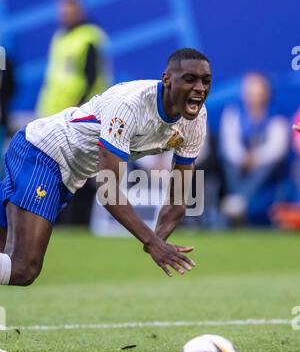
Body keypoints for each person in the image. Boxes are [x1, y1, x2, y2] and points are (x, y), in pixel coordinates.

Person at [0, 48, 212, 286]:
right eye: (190, 79)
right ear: (167, 80)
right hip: (43, 152)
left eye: (206, 81)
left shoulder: (196, 120)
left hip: (67, 176)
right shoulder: (130, 105)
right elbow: (108, 191)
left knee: (7, 260)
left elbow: (178, 199)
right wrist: (152, 242)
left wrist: (158, 239)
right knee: (23, 268)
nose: (200, 89)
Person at [220, 72, 289, 225]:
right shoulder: (234, 111)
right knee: (228, 161)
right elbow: (229, 144)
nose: (254, 97)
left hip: (265, 164)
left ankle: (239, 201)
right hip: (238, 164)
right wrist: (243, 157)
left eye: (258, 93)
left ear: (267, 94)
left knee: (267, 165)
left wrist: (256, 158)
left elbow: (277, 149)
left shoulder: (277, 113)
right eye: (251, 92)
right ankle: (238, 201)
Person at [36, 0, 111, 117]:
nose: (65, 15)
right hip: (54, 106)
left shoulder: (89, 36)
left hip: (78, 107)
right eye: (63, 12)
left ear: (80, 13)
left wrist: (82, 104)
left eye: (69, 12)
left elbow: (93, 75)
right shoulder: (60, 36)